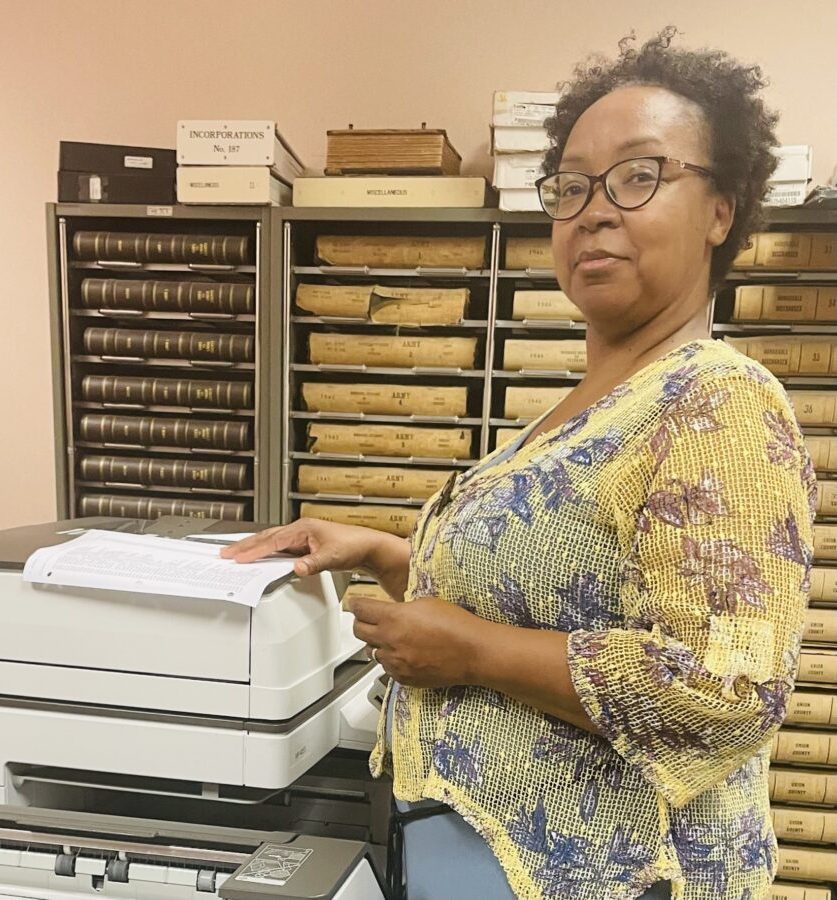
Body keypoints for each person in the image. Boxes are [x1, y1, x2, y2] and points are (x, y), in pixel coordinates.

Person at [224, 29, 817, 900]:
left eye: (639, 176)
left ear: (720, 210)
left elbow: (725, 693)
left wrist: (467, 651)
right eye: (572, 187)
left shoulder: (716, 401)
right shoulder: (584, 406)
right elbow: (565, 583)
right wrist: (387, 554)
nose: (595, 211)